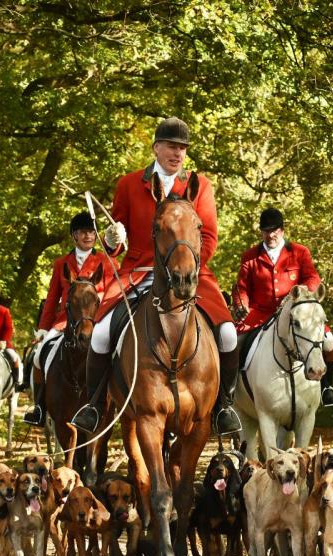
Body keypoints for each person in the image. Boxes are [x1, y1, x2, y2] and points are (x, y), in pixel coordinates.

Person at [69, 117, 242, 435]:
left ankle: (223, 407)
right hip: (139, 273)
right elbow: (114, 247)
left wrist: (183, 266)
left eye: (182, 149)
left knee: (229, 334)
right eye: (171, 147)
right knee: (102, 333)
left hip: (190, 274)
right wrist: (111, 237)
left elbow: (209, 238)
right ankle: (93, 405)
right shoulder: (129, 184)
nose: (177, 153)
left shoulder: (199, 187)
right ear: (156, 148)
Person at [232, 207, 333, 406]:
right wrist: (242, 304)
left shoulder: (299, 252)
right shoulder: (250, 256)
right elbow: (242, 287)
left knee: (329, 340)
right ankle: (229, 394)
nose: (270, 235)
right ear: (261, 231)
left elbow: (312, 276)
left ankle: (326, 386)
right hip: (260, 314)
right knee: (234, 343)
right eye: (266, 230)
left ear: (282, 230)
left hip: (296, 314)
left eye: (274, 230)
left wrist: (304, 291)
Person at [22, 212, 115, 426]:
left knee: (117, 352)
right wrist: (43, 328)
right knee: (38, 356)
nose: (88, 236)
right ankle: (39, 407)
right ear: (74, 235)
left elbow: (113, 293)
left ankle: (120, 400)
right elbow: (52, 298)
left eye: (91, 232)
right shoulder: (61, 263)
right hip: (65, 321)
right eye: (83, 232)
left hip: (96, 320)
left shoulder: (106, 262)